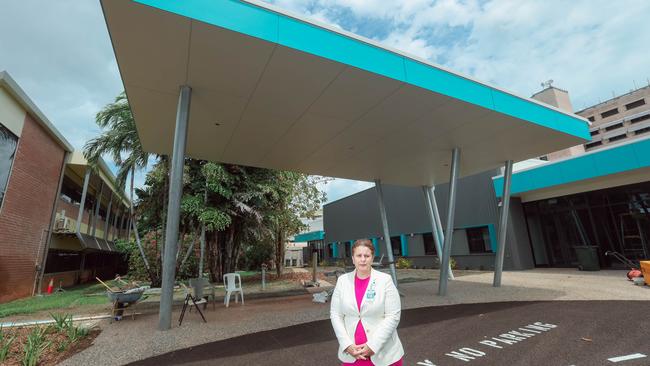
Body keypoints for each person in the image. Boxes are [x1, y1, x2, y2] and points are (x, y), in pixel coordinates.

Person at [330, 239, 404, 366]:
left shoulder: (385, 280)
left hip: (384, 355)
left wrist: (373, 346)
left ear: (372, 258)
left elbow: (393, 316)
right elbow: (336, 315)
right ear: (353, 258)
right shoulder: (342, 281)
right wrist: (346, 345)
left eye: (367, 256)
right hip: (353, 355)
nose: (363, 259)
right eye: (359, 256)